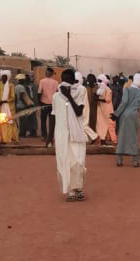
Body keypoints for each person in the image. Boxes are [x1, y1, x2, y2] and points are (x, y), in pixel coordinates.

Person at [52, 68, 87, 202]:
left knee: (78, 161)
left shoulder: (81, 92)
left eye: (69, 81)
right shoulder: (55, 96)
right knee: (65, 162)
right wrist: (50, 137)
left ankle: (78, 188)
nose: (66, 84)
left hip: (77, 133)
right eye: (64, 81)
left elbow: (79, 111)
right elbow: (54, 116)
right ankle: (71, 191)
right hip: (62, 134)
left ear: (74, 81)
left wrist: (69, 96)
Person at [112, 73, 140, 167]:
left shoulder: (127, 89)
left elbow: (124, 102)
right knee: (134, 137)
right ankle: (135, 161)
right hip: (134, 116)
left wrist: (116, 114)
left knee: (121, 136)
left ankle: (119, 160)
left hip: (124, 115)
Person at [38, 67, 59, 146]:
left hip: (44, 103)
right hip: (53, 104)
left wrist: (39, 102)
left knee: (43, 120)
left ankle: (44, 136)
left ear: (47, 73)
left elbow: (39, 92)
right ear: (52, 74)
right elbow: (58, 93)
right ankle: (51, 136)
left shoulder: (42, 81)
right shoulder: (56, 82)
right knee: (52, 121)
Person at [0, 69, 18, 144]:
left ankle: (11, 137)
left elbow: (12, 97)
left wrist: (4, 101)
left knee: (10, 121)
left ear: (7, 78)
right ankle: (4, 138)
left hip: (9, 107)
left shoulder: (11, 85)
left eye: (5, 77)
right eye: (2, 77)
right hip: (1, 107)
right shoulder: (0, 84)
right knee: (2, 122)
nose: (3, 78)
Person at [95, 74, 117, 145]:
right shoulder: (99, 90)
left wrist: (98, 99)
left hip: (107, 109)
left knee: (110, 124)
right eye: (98, 81)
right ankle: (103, 140)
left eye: (100, 81)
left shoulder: (108, 89)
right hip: (100, 109)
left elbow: (108, 100)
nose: (98, 82)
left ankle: (114, 140)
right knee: (101, 125)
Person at [15, 73, 37, 138]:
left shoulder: (15, 87)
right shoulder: (21, 87)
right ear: (20, 80)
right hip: (23, 106)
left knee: (21, 120)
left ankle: (22, 133)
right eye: (22, 80)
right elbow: (22, 97)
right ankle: (22, 133)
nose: (24, 81)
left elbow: (16, 97)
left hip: (18, 105)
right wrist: (26, 104)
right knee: (24, 121)